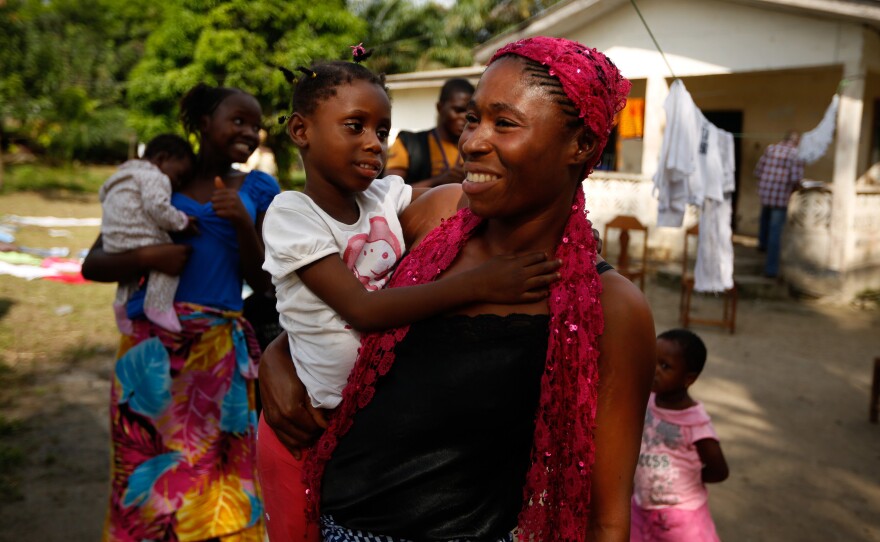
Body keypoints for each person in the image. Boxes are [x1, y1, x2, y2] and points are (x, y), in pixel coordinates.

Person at [259, 36, 657, 542]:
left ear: (579, 146)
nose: (472, 141)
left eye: (505, 123)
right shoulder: (436, 217)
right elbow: (334, 293)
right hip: (330, 522)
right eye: (473, 119)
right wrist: (277, 355)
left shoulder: (610, 306)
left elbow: (606, 517)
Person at [82, 82, 280, 542]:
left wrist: (241, 223)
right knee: (144, 466)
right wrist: (150, 259)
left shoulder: (257, 187)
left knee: (221, 474)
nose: (250, 132)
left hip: (217, 355)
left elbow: (267, 280)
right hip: (148, 351)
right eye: (238, 120)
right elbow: (94, 262)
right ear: (202, 124)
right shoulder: (158, 179)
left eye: (256, 125)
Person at [630, 329, 729, 542]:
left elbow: (719, 470)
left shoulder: (695, 421)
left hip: (681, 516)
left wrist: (688, 480)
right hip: (641, 505)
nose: (655, 370)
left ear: (689, 379)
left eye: (665, 366)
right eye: (653, 361)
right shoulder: (648, 399)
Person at [99, 134, 198, 334]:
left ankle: (121, 304)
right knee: (170, 254)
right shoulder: (156, 177)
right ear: (162, 159)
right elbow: (157, 208)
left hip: (111, 239)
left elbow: (102, 194)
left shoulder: (123, 172)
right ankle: (157, 305)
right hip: (137, 233)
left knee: (130, 276)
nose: (177, 185)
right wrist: (183, 221)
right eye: (179, 177)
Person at [383, 78, 474, 188]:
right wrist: (438, 182)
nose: (464, 118)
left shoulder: (473, 148)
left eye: (469, 113)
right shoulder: (408, 143)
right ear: (439, 107)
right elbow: (390, 191)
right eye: (458, 110)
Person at [754, 130, 804, 278]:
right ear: (797, 141)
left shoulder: (770, 148)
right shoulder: (795, 154)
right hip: (780, 196)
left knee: (764, 218)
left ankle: (762, 244)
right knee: (775, 232)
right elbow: (796, 178)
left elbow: (758, 171)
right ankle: (771, 269)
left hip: (765, 192)